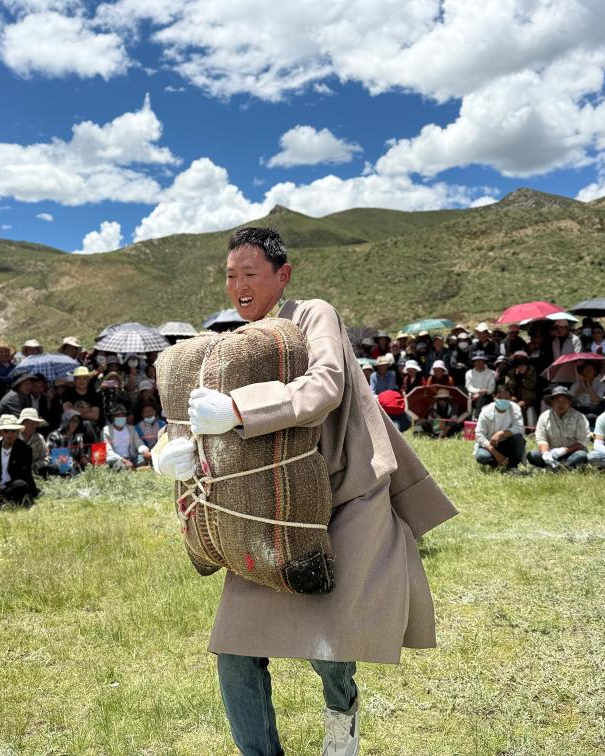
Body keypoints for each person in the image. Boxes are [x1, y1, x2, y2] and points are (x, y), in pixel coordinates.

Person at [151, 226, 456, 755]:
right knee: (235, 650)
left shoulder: (313, 314)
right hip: (266, 511)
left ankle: (342, 717)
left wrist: (239, 410)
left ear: (283, 275)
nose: (239, 286)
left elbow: (325, 384)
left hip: (343, 497)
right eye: (230, 276)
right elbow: (190, 412)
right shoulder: (236, 343)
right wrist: (167, 451)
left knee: (328, 644)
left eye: (250, 273)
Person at [528, 386, 590, 470]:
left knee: (582, 455)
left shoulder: (579, 417)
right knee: (533, 455)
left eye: (564, 401)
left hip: (572, 452)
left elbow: (583, 441)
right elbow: (541, 439)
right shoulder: (544, 417)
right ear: (552, 402)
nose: (561, 404)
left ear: (569, 402)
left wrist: (564, 450)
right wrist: (545, 453)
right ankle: (555, 465)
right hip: (552, 453)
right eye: (557, 401)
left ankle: (561, 467)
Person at [0, 415, 39, 508]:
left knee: (20, 485)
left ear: (17, 432)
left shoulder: (25, 449)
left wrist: (0, 488)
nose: (10, 434)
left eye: (13, 431)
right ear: (0, 433)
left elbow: (22, 476)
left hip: (12, 485)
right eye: (6, 431)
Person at [473, 384, 526, 470]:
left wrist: (501, 434)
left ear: (511, 398)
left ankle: (513, 466)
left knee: (519, 438)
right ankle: (497, 463)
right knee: (481, 456)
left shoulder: (515, 408)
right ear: (494, 397)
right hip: (489, 445)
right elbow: (479, 435)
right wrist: (494, 452)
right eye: (500, 397)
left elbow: (519, 428)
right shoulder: (486, 411)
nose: (503, 400)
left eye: (507, 397)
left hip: (507, 444)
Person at [47, 410, 88, 476]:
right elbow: (52, 457)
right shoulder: (54, 436)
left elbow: (81, 454)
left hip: (75, 469)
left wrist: (84, 458)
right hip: (58, 469)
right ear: (66, 421)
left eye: (77, 421)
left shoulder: (78, 437)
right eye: (73, 421)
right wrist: (70, 461)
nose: (75, 424)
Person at [103, 404, 145, 470]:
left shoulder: (131, 428)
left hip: (131, 457)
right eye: (118, 416)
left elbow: (138, 442)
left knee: (146, 457)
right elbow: (108, 451)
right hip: (116, 459)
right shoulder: (106, 430)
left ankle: (133, 467)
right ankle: (131, 468)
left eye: (123, 415)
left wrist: (145, 451)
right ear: (112, 417)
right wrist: (123, 460)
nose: (121, 417)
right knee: (117, 463)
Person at [505, 351, 539, 427]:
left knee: (520, 406)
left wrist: (523, 377)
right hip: (516, 396)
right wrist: (516, 377)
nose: (519, 362)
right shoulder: (512, 371)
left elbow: (532, 385)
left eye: (521, 359)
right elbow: (510, 385)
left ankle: (525, 427)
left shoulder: (532, 370)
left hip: (529, 397)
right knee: (509, 403)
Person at [570, 362, 605, 428]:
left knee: (591, 417)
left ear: (595, 372)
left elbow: (596, 400)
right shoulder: (576, 384)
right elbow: (570, 401)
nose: (587, 372)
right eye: (585, 369)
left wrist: (588, 385)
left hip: (594, 410)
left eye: (590, 369)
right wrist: (579, 392)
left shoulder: (600, 384)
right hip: (580, 409)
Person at [18, 407, 50, 476]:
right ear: (22, 423)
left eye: (34, 423)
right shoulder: (12, 436)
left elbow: (45, 458)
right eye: (28, 422)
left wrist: (35, 465)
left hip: (35, 471)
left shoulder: (40, 438)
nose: (31, 426)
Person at [465, 351, 496, 419]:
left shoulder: (491, 373)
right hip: (473, 397)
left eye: (480, 360)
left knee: (482, 398)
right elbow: (468, 386)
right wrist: (478, 391)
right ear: (473, 362)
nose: (478, 362)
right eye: (476, 361)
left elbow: (491, 388)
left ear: (484, 361)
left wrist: (481, 393)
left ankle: (477, 417)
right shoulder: (469, 373)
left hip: (486, 397)